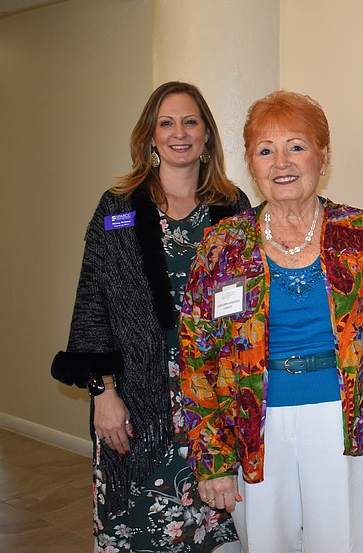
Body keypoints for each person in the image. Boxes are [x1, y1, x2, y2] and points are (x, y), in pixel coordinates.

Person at [178, 89, 363, 552]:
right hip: (255, 424)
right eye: (265, 150)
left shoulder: (360, 233)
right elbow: (198, 357)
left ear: (323, 155)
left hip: (350, 420)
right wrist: (213, 459)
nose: (282, 162)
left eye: (296, 146)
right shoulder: (223, 245)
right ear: (251, 163)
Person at [51, 81, 251, 552]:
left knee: (212, 530)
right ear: (150, 136)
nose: (178, 133)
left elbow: (250, 305)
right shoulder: (118, 208)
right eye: (166, 123)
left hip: (212, 402)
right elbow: (94, 302)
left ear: (207, 134)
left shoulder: (233, 208)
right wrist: (103, 393)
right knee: (137, 530)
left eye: (190, 122)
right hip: (136, 400)